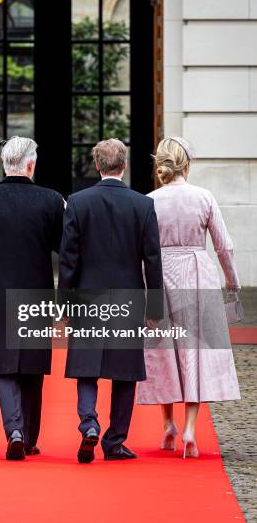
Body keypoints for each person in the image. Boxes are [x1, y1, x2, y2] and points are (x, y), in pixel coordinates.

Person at [59, 138, 163, 463]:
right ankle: (115, 441)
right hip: (129, 298)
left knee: (87, 370)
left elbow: (68, 260)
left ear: (97, 165)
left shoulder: (77, 202)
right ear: (125, 165)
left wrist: (64, 304)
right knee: (124, 374)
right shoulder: (143, 205)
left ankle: (89, 422)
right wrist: (155, 308)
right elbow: (153, 259)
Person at [136, 137, 241, 458]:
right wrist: (232, 282)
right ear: (187, 164)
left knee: (164, 349)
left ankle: (167, 423)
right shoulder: (203, 197)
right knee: (196, 351)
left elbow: (139, 249)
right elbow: (224, 245)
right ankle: (191, 428)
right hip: (198, 274)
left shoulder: (148, 200)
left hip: (159, 274)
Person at [0, 136, 65, 460]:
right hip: (37, 290)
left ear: (4, 164)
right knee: (33, 367)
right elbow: (67, 250)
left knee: (3, 365)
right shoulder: (51, 200)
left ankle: (15, 430)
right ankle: (30, 438)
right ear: (31, 165)